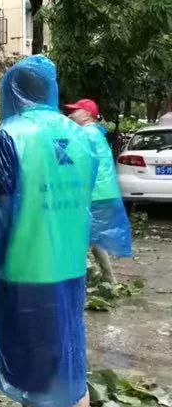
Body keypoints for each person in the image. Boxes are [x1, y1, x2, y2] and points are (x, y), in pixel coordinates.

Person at [0, 56, 102, 407]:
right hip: (70, 266)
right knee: (70, 354)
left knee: (35, 371)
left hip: (28, 271)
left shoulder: (12, 136)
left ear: (13, 92)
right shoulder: (81, 136)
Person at [64, 98, 132, 282]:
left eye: (75, 111)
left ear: (87, 114)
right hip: (102, 192)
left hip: (92, 192)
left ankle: (89, 272)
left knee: (70, 230)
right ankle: (109, 279)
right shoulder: (95, 134)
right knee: (93, 237)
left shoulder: (85, 134)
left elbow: (68, 159)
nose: (70, 115)